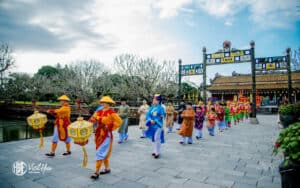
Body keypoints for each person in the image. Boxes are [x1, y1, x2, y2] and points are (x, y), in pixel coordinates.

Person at [89, 96, 122, 179]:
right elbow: (92, 119)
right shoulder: (99, 111)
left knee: (100, 152)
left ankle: (96, 172)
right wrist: (91, 120)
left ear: (109, 104)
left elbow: (119, 121)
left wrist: (110, 127)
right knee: (102, 152)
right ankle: (107, 169)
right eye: (102, 102)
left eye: (105, 102)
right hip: (98, 133)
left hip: (106, 134)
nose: (103, 104)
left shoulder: (112, 112)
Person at [145, 94, 165, 159]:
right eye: (153, 99)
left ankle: (157, 152)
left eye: (155, 100)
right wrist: (150, 120)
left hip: (158, 125)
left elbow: (162, 116)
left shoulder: (161, 108)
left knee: (157, 138)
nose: (153, 101)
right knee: (154, 138)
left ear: (158, 101)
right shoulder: (151, 107)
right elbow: (148, 115)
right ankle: (155, 150)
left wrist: (156, 120)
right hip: (152, 125)